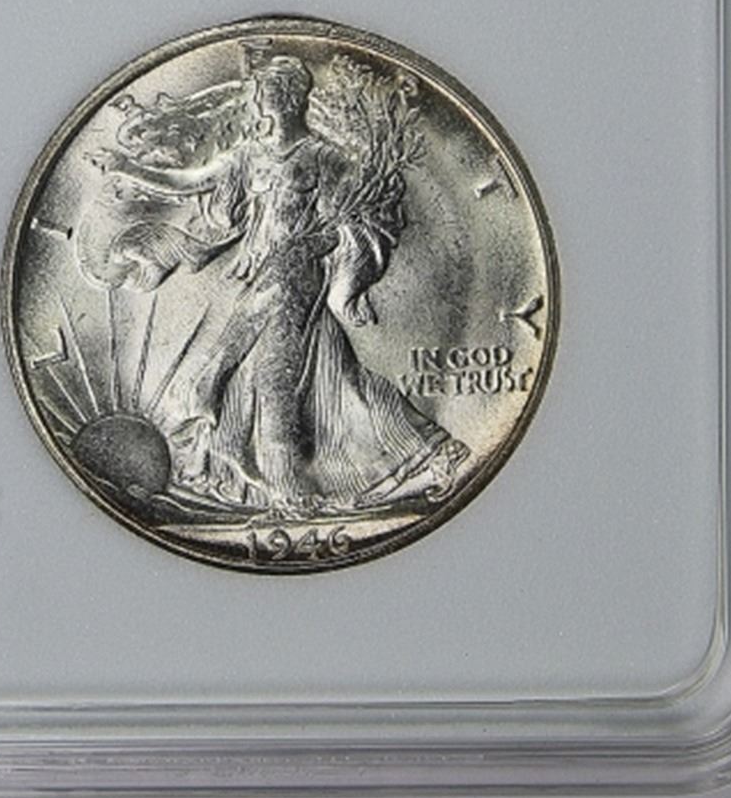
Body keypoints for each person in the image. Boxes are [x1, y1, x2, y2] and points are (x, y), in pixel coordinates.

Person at [89, 49, 466, 518]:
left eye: (264, 93)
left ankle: (284, 486)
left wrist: (314, 246)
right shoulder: (247, 157)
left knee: (272, 380)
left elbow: (349, 225)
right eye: (260, 93)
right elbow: (189, 182)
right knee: (326, 380)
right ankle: (413, 456)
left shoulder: (325, 159)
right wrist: (127, 168)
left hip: (299, 277)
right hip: (263, 278)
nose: (257, 101)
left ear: (286, 98)